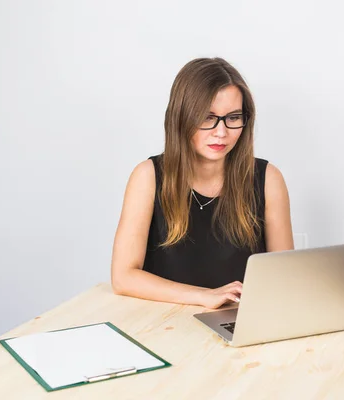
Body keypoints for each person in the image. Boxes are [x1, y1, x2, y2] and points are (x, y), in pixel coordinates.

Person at [110, 57, 293, 309]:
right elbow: (123, 277)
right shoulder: (148, 176)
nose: (221, 132)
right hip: (162, 323)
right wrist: (204, 296)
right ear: (182, 117)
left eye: (233, 117)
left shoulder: (268, 178)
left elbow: (285, 277)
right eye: (207, 117)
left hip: (237, 322)